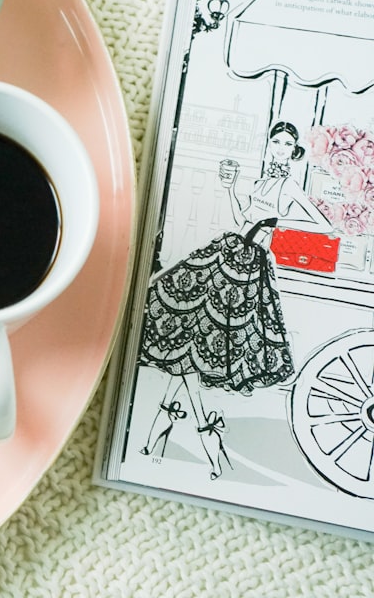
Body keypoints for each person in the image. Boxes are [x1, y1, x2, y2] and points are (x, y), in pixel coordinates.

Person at [136, 121, 332, 479]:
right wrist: (229, 188)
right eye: (276, 141)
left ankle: (176, 442)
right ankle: (173, 441)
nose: (280, 147)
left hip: (248, 266)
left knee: (208, 341)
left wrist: (281, 225)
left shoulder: (288, 184)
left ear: (295, 149)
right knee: (190, 332)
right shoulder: (262, 180)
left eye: (287, 143)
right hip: (230, 250)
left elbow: (324, 224)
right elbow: (242, 216)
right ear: (270, 145)